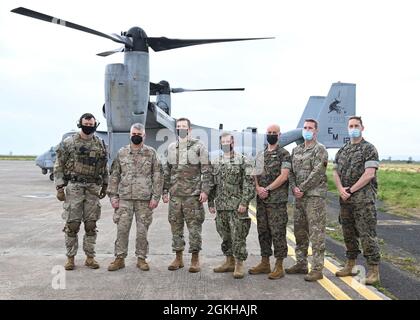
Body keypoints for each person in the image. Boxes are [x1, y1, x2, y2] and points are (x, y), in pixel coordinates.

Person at [54, 113, 108, 270]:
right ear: (80, 124)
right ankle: (70, 258)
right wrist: (59, 187)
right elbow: (59, 165)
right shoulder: (69, 143)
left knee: (91, 224)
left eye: (91, 125)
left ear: (95, 125)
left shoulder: (100, 143)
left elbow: (104, 167)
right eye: (86, 124)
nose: (88, 127)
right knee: (72, 224)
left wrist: (105, 185)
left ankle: (90, 257)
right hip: (75, 187)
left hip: (92, 188)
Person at [107, 123, 163, 271]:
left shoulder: (151, 153)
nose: (136, 136)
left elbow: (158, 176)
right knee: (122, 230)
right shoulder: (122, 152)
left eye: (139, 134)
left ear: (144, 136)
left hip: (144, 199)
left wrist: (156, 197)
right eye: (134, 134)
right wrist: (113, 196)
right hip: (125, 198)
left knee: (142, 231)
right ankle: (119, 258)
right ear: (130, 135)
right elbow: (114, 175)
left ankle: (141, 259)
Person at [333, 116, 381, 285]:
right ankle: (350, 265)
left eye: (356, 125)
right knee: (348, 234)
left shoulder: (369, 149)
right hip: (345, 201)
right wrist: (340, 190)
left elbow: (369, 174)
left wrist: (350, 190)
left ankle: (373, 270)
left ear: (362, 128)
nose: (353, 128)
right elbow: (335, 172)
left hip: (363, 201)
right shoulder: (343, 150)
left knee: (367, 235)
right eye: (351, 125)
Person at [162, 117, 212, 273]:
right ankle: (178, 257)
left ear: (190, 130)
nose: (181, 129)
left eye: (184, 127)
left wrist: (205, 191)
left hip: (193, 196)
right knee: (175, 227)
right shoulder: (171, 147)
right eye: (178, 127)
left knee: (194, 228)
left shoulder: (198, 147)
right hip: (175, 195)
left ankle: (195, 259)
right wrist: (165, 190)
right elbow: (167, 170)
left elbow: (206, 169)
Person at [286, 119, 328, 281]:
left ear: (316, 131)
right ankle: (301, 264)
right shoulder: (296, 150)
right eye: (305, 128)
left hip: (314, 197)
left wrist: (301, 188)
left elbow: (317, 172)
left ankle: (317, 268)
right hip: (299, 198)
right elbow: (290, 172)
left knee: (316, 233)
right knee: (300, 231)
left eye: (310, 128)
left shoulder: (320, 150)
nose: (307, 130)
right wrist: (294, 188)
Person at [208, 132, 255, 279]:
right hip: (221, 206)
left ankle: (239, 264)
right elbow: (212, 184)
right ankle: (229, 261)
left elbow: (249, 184)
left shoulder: (243, 161)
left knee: (238, 236)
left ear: (233, 143)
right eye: (223, 142)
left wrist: (244, 202)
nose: (226, 144)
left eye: (228, 142)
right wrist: (211, 202)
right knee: (225, 236)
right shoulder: (216, 161)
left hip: (236, 206)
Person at [248, 124, 291, 280]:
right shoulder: (261, 154)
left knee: (278, 232)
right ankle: (265, 262)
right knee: (263, 232)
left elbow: (284, 176)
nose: (271, 135)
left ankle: (279, 266)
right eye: (269, 132)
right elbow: (255, 174)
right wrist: (258, 188)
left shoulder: (284, 155)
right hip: (262, 201)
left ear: (279, 135)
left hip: (276, 202)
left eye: (274, 133)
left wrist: (267, 189)